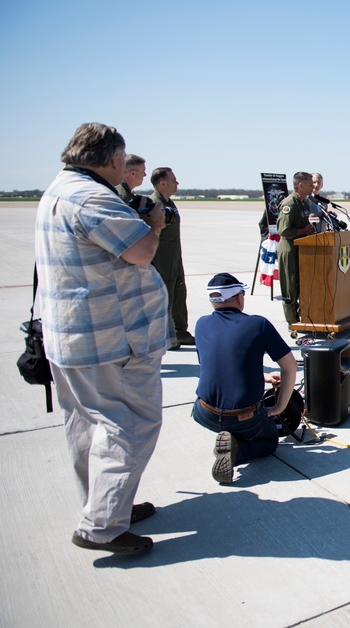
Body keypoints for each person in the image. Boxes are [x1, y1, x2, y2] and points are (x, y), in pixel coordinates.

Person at [35, 123, 170, 555]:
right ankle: (102, 525)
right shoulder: (93, 198)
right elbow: (142, 251)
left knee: (87, 426)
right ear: (114, 159)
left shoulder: (58, 189)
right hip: (112, 341)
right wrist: (154, 224)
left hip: (73, 338)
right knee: (129, 425)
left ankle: (105, 506)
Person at [191, 273, 297, 484]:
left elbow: (219, 366)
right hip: (243, 416)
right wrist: (278, 408)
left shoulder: (201, 324)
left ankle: (229, 437)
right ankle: (237, 450)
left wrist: (263, 377)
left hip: (205, 413)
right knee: (269, 442)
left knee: (231, 421)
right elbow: (290, 366)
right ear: (239, 297)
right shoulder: (258, 324)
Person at [150, 167, 195, 347]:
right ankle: (166, 336)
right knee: (165, 296)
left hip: (174, 256)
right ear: (162, 183)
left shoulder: (169, 203)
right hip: (162, 258)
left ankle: (180, 331)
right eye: (174, 180)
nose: (177, 184)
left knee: (179, 292)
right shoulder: (155, 204)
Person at [277, 172, 317, 335]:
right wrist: (304, 230)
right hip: (289, 250)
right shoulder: (289, 204)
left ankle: (303, 316)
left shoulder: (304, 203)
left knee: (302, 284)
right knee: (291, 286)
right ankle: (292, 322)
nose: (312, 187)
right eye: (309, 184)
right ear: (300, 185)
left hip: (302, 249)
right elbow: (283, 230)